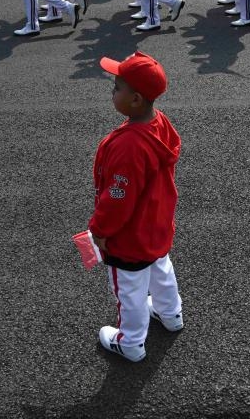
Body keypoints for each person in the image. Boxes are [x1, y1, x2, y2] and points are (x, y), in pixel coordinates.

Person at [90, 50, 183, 363]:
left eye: (117, 87)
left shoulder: (129, 145)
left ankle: (130, 342)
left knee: (129, 290)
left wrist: (99, 232)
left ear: (136, 99)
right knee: (161, 270)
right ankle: (171, 315)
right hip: (156, 224)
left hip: (130, 238)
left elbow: (118, 199)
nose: (112, 91)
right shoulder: (160, 123)